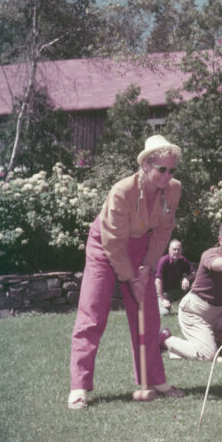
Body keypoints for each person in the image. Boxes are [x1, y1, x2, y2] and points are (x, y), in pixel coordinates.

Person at [68, 135, 185, 410]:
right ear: (145, 165)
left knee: (148, 317)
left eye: (172, 170)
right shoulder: (122, 191)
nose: (167, 176)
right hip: (104, 247)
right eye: (162, 169)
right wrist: (129, 278)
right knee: (92, 314)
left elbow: (163, 230)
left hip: (140, 247)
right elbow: (113, 243)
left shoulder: (173, 189)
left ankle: (154, 380)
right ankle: (79, 387)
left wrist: (146, 267)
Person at [160, 221, 222, 361]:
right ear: (219, 240)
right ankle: (166, 340)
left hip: (219, 311)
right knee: (208, 355)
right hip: (194, 311)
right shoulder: (210, 254)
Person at [155, 239, 196, 315]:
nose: (176, 252)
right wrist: (163, 299)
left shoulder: (182, 260)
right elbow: (158, 282)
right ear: (169, 250)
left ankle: (185, 305)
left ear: (181, 251)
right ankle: (161, 304)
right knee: (164, 313)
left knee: (194, 284)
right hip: (164, 293)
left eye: (179, 250)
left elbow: (194, 273)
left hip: (176, 290)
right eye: (174, 249)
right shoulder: (163, 261)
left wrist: (186, 278)